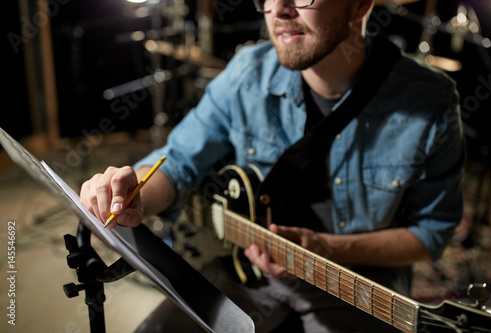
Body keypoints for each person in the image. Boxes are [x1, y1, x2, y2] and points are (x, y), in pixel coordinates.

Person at [80, 0, 465, 332]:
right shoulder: (246, 73)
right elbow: (177, 162)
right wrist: (132, 197)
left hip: (359, 283)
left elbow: (431, 232)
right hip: (249, 271)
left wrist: (326, 248)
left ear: (360, 5)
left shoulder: (431, 101)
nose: (278, 10)